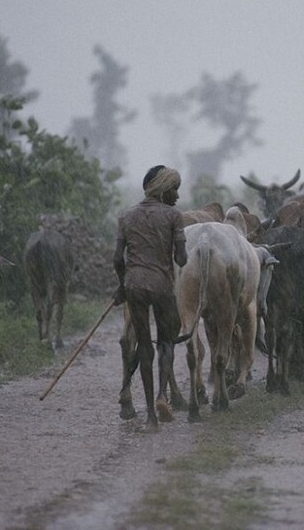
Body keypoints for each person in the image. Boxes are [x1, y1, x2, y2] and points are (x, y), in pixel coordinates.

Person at [113, 165, 187, 430]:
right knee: (166, 342)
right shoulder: (173, 216)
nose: (177, 196)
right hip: (161, 286)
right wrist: (178, 247)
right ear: (163, 189)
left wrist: (122, 286)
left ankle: (150, 418)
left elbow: (116, 259)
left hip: (134, 285)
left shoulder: (126, 216)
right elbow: (181, 259)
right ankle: (161, 396)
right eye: (175, 190)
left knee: (143, 347)